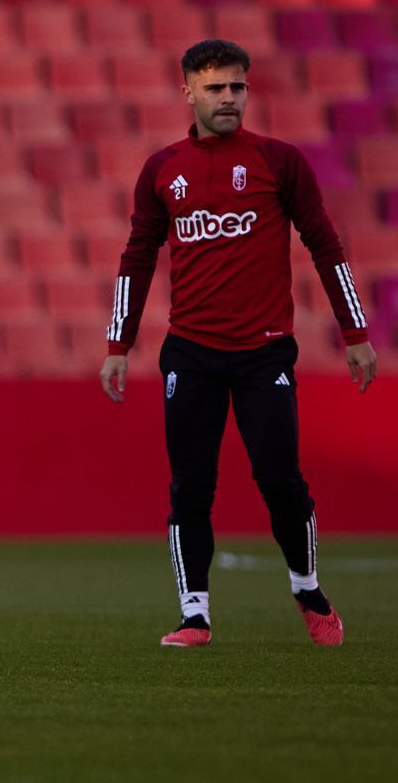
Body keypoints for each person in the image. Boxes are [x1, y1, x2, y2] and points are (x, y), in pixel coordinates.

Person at [99, 38, 377, 649]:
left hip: (264, 352)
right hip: (191, 352)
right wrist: (117, 344)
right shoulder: (162, 169)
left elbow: (325, 244)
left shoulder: (280, 161)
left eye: (238, 87)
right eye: (217, 88)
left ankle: (305, 585)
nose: (229, 99)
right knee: (190, 486)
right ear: (189, 92)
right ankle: (193, 613)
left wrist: (355, 333)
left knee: (279, 478)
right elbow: (136, 258)